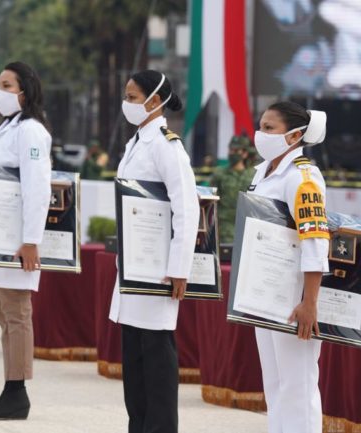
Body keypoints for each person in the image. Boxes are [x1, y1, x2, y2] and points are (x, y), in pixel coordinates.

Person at [110, 70, 199, 433]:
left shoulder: (167, 145)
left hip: (159, 268)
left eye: (132, 97)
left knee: (157, 357)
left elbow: (187, 207)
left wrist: (179, 268)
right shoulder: (137, 142)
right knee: (134, 357)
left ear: (154, 101)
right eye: (127, 96)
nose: (127, 103)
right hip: (135, 265)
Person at [0, 62, 52, 421]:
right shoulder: (5, 128)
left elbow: (38, 187)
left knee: (17, 315)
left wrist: (31, 240)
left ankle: (17, 392)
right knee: (5, 315)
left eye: (7, 85)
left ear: (25, 90)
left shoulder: (31, 131)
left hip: (18, 241)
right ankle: (9, 387)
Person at [248, 101, 329, 433]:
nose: (260, 134)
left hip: (295, 296)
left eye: (270, 128)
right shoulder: (262, 171)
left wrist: (309, 302)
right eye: (261, 126)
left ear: (295, 135)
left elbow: (315, 239)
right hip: (267, 290)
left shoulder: (303, 177)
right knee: (276, 386)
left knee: (298, 386)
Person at [210, 134, 256, 243]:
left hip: (246, 225)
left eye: (236, 150)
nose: (232, 153)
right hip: (224, 227)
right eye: (231, 150)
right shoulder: (219, 173)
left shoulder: (253, 175)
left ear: (244, 153)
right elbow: (211, 201)